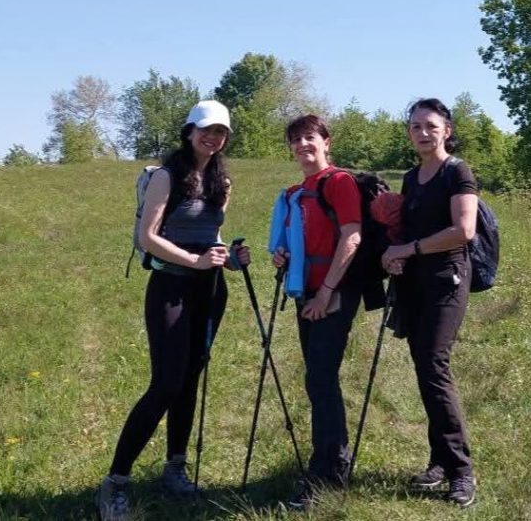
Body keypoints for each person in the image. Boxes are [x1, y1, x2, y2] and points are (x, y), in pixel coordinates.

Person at [97, 100, 250, 521]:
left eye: (220, 132)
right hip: (170, 288)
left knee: (190, 379)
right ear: (189, 131)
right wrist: (194, 261)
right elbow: (148, 237)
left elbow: (210, 235)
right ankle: (115, 482)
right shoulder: (166, 177)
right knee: (166, 383)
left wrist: (229, 258)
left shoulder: (222, 181)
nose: (213, 137)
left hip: (209, 290)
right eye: (206, 130)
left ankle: (175, 469)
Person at [381, 98, 478, 508]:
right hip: (416, 283)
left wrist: (410, 248)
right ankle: (439, 460)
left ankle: (461, 470)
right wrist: (397, 254)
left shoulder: (457, 172)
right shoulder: (411, 177)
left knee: (434, 365)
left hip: (447, 279)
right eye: (416, 126)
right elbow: (407, 229)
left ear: (446, 131)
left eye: (431, 126)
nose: (422, 133)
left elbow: (464, 230)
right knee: (424, 366)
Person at [271, 114, 363, 510]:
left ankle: (329, 468)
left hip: (332, 292)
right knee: (317, 377)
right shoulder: (298, 191)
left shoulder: (339, 182)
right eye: (296, 140)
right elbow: (302, 238)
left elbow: (352, 237)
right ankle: (329, 458)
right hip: (305, 291)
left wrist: (326, 293)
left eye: (310, 137)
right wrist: (283, 255)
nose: (302, 145)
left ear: (327, 142)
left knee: (321, 378)